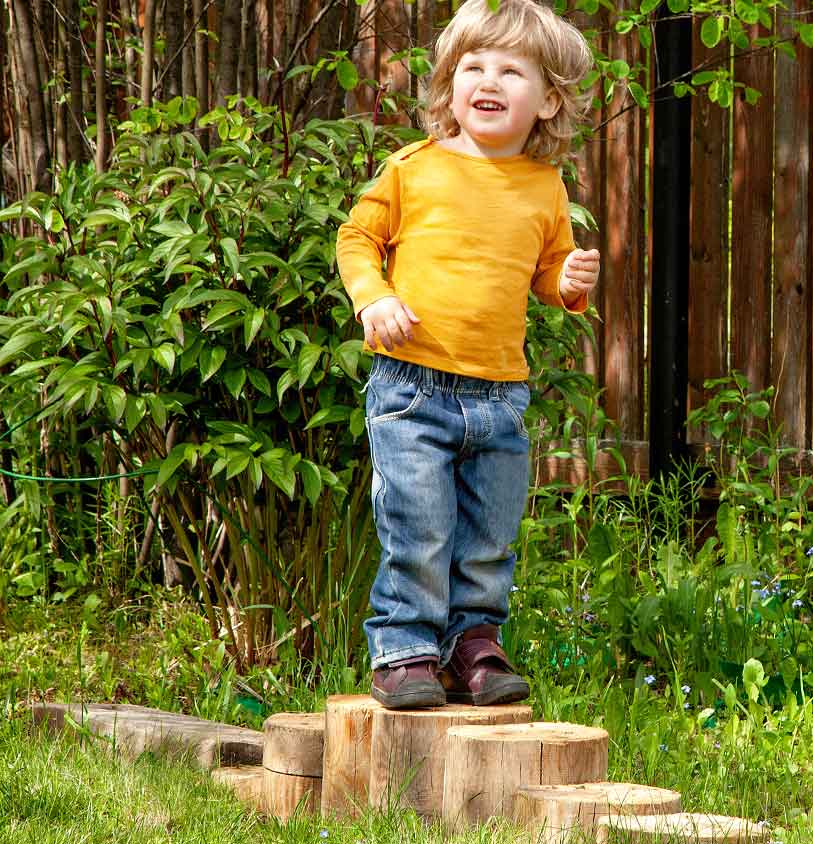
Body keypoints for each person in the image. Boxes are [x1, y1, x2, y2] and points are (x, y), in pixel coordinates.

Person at [336, 0, 599, 709]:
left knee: (488, 534)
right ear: (450, 84)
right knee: (418, 526)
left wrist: (566, 281)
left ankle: (473, 644)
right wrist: (374, 300)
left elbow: (545, 269)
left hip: (500, 396)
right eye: (473, 66)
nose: (489, 79)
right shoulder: (414, 168)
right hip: (412, 387)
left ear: (547, 100)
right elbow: (357, 239)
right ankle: (404, 651)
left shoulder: (544, 186)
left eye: (512, 70)